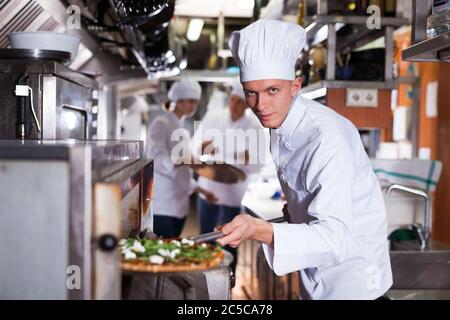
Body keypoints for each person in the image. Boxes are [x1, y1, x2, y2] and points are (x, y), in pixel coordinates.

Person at [216, 19, 393, 300]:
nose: (261, 106)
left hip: (353, 284)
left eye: (272, 90)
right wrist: (294, 214)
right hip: (315, 278)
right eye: (252, 92)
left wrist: (259, 228)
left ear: (295, 86)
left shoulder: (325, 138)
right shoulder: (280, 122)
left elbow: (336, 240)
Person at [192, 81, 264, 274]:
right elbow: (195, 147)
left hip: (232, 195)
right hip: (208, 191)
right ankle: (203, 282)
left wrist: (234, 155)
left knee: (228, 244)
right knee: (205, 241)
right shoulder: (214, 117)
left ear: (247, 104)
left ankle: (226, 284)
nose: (234, 104)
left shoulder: (254, 127)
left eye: (239, 102)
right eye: (232, 100)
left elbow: (257, 164)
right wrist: (203, 147)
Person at [146, 79, 217, 238]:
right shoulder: (161, 123)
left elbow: (183, 172)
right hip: (163, 206)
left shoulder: (182, 130)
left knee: (172, 249)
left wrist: (202, 190)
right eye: (190, 101)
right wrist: (185, 161)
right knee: (163, 253)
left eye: (196, 102)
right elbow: (155, 157)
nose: (194, 106)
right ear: (178, 101)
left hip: (180, 206)